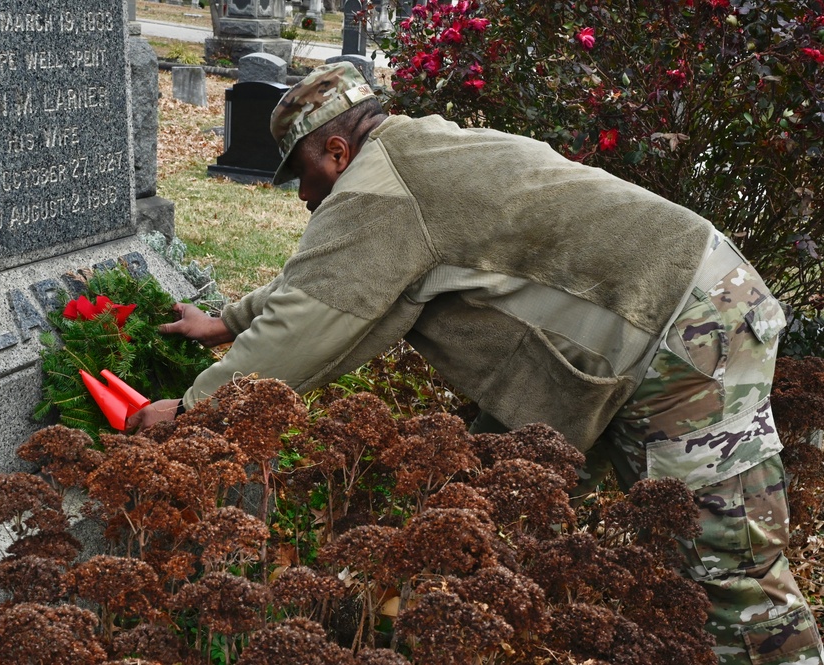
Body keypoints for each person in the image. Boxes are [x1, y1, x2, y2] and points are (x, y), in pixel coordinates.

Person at [128, 61, 824, 664]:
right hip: (692, 310)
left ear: (334, 151)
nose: (303, 197)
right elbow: (325, 280)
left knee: (726, 569)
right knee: (679, 551)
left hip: (686, 330)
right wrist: (226, 319)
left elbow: (305, 324)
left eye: (301, 176)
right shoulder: (412, 155)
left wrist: (191, 413)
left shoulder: (378, 190)